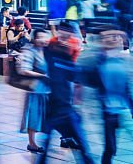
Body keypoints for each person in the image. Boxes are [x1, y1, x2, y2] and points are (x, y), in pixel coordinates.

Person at [36, 22, 94, 163]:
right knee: (81, 146)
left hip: (63, 108)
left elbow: (77, 78)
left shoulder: (66, 60)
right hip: (58, 108)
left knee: (81, 146)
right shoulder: (52, 56)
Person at [88, 28, 133, 164]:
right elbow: (92, 81)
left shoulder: (123, 61)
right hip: (107, 110)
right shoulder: (99, 60)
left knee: (114, 146)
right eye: (111, 37)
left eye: (117, 37)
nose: (114, 39)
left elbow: (126, 86)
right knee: (110, 147)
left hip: (120, 109)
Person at [18, 29, 51, 154]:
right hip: (35, 89)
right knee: (34, 116)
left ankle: (64, 138)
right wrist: (41, 76)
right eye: (40, 37)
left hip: (48, 89)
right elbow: (23, 70)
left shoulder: (48, 52)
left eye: (45, 37)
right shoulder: (30, 52)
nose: (43, 40)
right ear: (35, 39)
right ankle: (32, 143)